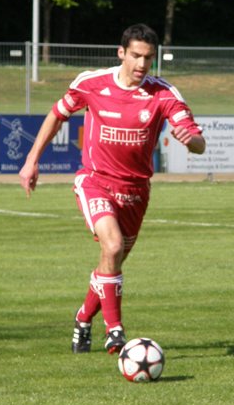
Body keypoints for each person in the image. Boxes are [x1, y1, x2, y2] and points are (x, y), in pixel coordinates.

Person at [19, 23, 206, 355]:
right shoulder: (91, 84)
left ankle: (83, 318)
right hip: (95, 181)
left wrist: (190, 140)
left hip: (135, 192)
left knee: (112, 260)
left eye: (148, 58)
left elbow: (200, 144)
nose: (142, 64)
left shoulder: (164, 94)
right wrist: (32, 160)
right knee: (113, 245)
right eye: (135, 55)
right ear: (121, 53)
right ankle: (115, 330)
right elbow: (57, 114)